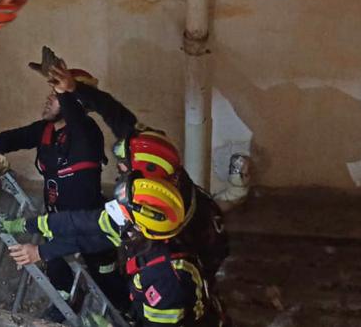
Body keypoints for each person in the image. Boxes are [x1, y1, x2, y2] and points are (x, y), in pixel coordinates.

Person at [44, 63, 229, 283]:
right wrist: (74, 87)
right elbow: (113, 111)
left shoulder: (154, 212)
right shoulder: (155, 158)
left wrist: (42, 248)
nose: (120, 167)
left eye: (125, 165)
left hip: (194, 255)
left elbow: (97, 228)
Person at [0, 172, 229, 326]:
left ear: (139, 227)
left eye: (122, 213)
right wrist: (33, 236)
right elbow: (82, 226)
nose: (113, 216)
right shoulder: (145, 236)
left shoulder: (166, 279)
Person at [0, 67, 127, 319]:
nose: (48, 99)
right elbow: (9, 138)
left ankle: (126, 312)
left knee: (105, 277)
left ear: (72, 102)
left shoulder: (87, 133)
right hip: (56, 215)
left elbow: (76, 118)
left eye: (54, 96)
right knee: (55, 261)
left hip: (89, 221)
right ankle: (67, 297)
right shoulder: (45, 130)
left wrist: (67, 91)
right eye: (51, 94)